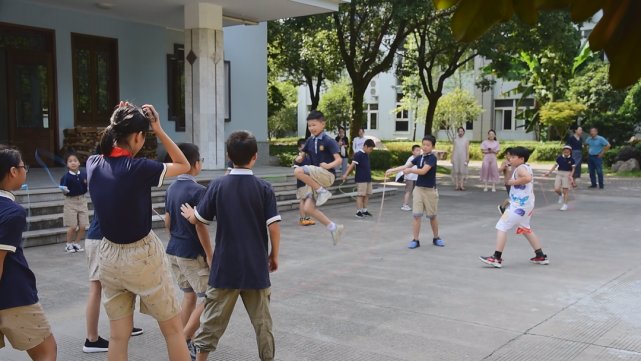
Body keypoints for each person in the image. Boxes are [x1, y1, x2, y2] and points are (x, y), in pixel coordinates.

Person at [86, 102, 191, 361]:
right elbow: (184, 164)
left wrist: (121, 116)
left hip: (108, 254)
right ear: (137, 136)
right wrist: (158, 128)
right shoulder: (139, 169)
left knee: (119, 336)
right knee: (174, 330)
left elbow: (108, 146)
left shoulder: (92, 163)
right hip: (141, 256)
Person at [180, 131, 281, 361]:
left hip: (224, 268)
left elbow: (200, 220)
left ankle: (201, 358)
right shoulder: (264, 188)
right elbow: (274, 228)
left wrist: (191, 215)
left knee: (212, 322)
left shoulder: (218, 185)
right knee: (263, 324)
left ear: (228, 156)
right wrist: (274, 255)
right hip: (256, 267)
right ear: (255, 157)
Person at [0, 145, 57, 360]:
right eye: (24, 166)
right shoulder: (13, 212)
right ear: (13, 171)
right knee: (47, 351)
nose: (26, 170)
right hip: (13, 296)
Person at [164, 143, 213, 359]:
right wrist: (210, 256)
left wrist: (175, 236)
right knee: (210, 297)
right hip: (192, 253)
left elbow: (167, 221)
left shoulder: (171, 188)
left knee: (189, 296)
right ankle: (184, 340)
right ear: (195, 164)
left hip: (173, 250)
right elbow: (200, 226)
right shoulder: (199, 191)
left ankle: (179, 341)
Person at [83, 214, 144, 354]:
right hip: (101, 240)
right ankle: (91, 339)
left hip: (104, 239)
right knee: (95, 288)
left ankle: (127, 325)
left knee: (125, 285)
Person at [479, 146, 549, 268]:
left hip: (518, 206)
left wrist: (514, 182)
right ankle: (540, 255)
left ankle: (496, 257)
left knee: (501, 226)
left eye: (513, 157)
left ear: (521, 159)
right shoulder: (524, 167)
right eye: (509, 156)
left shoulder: (521, 168)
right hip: (526, 205)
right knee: (526, 229)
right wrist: (507, 173)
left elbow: (527, 178)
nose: (510, 159)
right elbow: (511, 182)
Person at [293, 110, 345, 245]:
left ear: (323, 124)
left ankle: (323, 191)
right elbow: (302, 155)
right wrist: (299, 158)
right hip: (315, 177)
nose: (311, 128)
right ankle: (333, 227)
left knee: (298, 172)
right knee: (308, 209)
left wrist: (328, 165)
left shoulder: (329, 141)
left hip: (327, 175)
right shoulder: (310, 140)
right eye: (309, 126)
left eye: (314, 125)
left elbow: (339, 160)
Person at [386, 135, 444, 249]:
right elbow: (406, 166)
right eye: (424, 144)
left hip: (430, 190)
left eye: (428, 145)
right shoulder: (419, 157)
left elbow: (423, 171)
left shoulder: (432, 158)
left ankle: (436, 237)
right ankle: (415, 240)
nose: (425, 147)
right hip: (418, 189)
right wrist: (392, 170)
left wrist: (411, 170)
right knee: (416, 215)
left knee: (432, 216)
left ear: (433, 146)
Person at [60, 152, 88, 253]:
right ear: (67, 164)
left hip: (82, 201)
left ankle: (76, 243)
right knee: (72, 226)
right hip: (70, 202)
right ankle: (68, 244)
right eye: (70, 161)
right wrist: (64, 190)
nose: (73, 163)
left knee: (83, 226)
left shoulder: (84, 174)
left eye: (75, 161)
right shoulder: (65, 177)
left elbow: (86, 186)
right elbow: (63, 189)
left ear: (79, 163)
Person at [341, 139, 376, 218]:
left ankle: (365, 210)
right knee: (360, 195)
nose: (371, 151)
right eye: (370, 149)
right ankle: (358, 211)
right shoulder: (358, 154)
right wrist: (345, 174)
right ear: (365, 146)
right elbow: (352, 165)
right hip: (361, 178)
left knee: (367, 195)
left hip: (368, 178)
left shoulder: (366, 154)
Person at [543, 145, 576, 211]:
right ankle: (560, 195)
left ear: (570, 152)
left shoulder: (572, 159)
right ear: (563, 151)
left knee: (565, 190)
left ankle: (565, 205)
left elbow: (573, 169)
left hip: (567, 174)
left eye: (568, 150)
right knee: (556, 189)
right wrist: (549, 173)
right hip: (559, 173)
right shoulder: (559, 158)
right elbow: (554, 166)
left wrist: (571, 175)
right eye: (565, 150)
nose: (566, 151)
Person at [294, 139, 315, 226]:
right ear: (299, 148)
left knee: (309, 199)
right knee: (303, 199)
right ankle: (302, 218)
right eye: (304, 147)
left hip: (309, 182)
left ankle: (307, 218)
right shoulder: (298, 158)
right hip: (302, 182)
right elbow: (296, 171)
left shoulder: (309, 157)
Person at [399, 145, 421, 211]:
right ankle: (405, 205)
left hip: (416, 178)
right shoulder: (411, 159)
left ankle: (416, 205)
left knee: (415, 192)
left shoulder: (419, 158)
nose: (419, 152)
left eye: (419, 150)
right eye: (417, 150)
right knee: (408, 191)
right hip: (410, 178)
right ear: (413, 152)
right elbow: (405, 167)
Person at [497, 147, 513, 214]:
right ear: (505, 155)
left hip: (515, 183)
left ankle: (507, 208)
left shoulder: (514, 162)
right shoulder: (504, 162)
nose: (509, 156)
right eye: (508, 155)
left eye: (511, 155)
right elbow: (499, 171)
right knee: (512, 197)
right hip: (508, 183)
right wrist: (504, 167)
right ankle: (502, 207)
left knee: (514, 197)